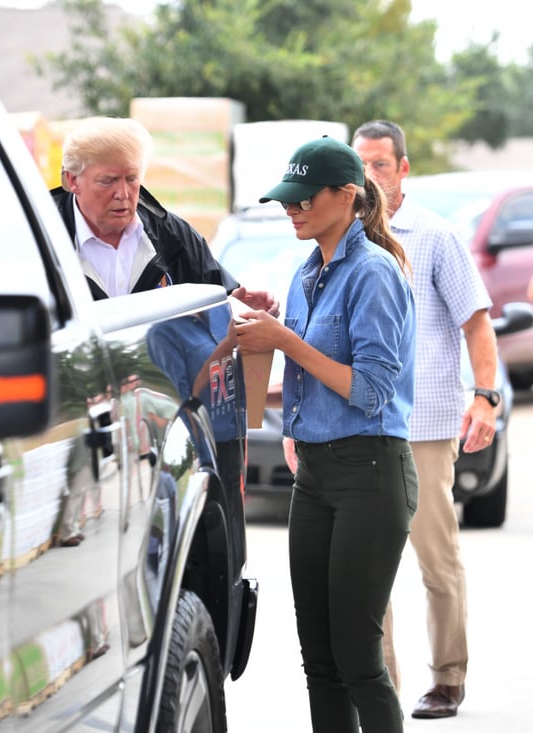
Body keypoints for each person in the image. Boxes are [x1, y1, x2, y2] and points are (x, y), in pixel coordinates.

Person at [233, 136, 418, 732]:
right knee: (319, 660)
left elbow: (369, 392)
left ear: (347, 196)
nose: (292, 208)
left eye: (303, 197)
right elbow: (308, 373)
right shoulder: (306, 270)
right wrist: (271, 326)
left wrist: (286, 340)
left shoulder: (374, 271)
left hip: (370, 472)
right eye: (287, 199)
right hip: (313, 475)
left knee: (358, 659)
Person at [352, 119, 500, 719]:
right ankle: (380, 681)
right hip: (358, 427)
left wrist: (485, 396)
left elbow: (476, 322)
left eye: (380, 165)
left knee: (436, 560)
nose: (369, 178)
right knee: (368, 569)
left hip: (426, 427)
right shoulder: (343, 240)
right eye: (359, 166)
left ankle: (447, 678)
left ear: (403, 169)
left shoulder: (435, 237)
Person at [50, 116, 278, 313]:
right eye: (107, 181)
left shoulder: (173, 236)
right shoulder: (40, 241)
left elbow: (219, 298)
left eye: (132, 178)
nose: (123, 193)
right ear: (72, 181)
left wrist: (237, 307)